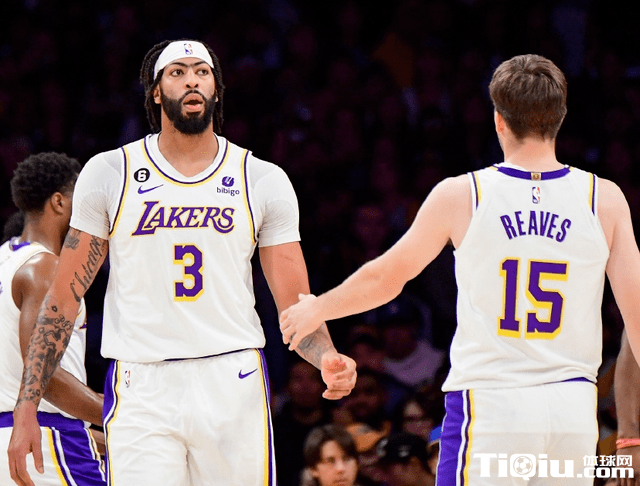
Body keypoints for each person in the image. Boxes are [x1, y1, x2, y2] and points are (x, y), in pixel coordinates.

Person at [8, 39, 356, 486]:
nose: (191, 79)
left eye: (201, 72)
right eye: (177, 72)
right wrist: (27, 407)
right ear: (156, 92)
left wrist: (326, 355)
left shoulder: (261, 179)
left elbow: (296, 303)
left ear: (216, 90)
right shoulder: (110, 172)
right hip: (140, 382)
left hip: (231, 376)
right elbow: (62, 299)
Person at [281, 53, 640, 485]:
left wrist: (318, 308)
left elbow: (386, 277)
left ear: (499, 120)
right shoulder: (605, 199)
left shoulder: (463, 194)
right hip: (572, 409)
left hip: (494, 403)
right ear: (560, 117)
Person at [0, 153, 105, 485]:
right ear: (59, 202)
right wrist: (123, 414)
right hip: (47, 440)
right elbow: (43, 375)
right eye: (81, 201)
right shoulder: (46, 267)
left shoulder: (5, 260)